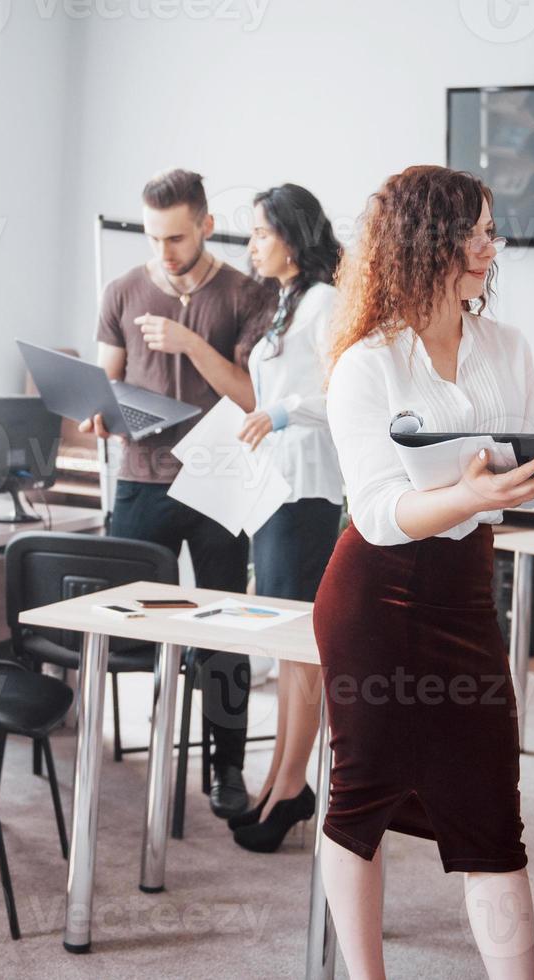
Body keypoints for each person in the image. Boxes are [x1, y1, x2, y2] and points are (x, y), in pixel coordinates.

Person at [316, 165, 534, 980]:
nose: (492, 247)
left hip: (462, 593)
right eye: (477, 232)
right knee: (362, 796)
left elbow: (510, 477)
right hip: (373, 599)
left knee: (491, 802)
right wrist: (468, 492)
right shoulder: (366, 364)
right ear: (426, 243)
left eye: (492, 230)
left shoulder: (508, 346)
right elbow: (380, 513)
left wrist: (529, 477)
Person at [78, 168, 274, 818]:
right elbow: (106, 385)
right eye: (153, 237)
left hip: (219, 480)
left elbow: (251, 395)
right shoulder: (123, 290)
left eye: (176, 238)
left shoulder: (247, 293)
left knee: (223, 633)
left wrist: (190, 343)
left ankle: (225, 769)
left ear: (206, 227)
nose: (162, 252)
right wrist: (96, 413)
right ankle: (110, 747)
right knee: (119, 625)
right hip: (139, 481)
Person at [228, 183, 345, 852]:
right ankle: (276, 781)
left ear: (293, 237)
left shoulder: (325, 304)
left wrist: (283, 411)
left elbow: (346, 393)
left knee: (299, 648)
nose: (250, 246)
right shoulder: (286, 304)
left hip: (305, 490)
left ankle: (291, 786)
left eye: (260, 234)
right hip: (274, 487)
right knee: (279, 642)